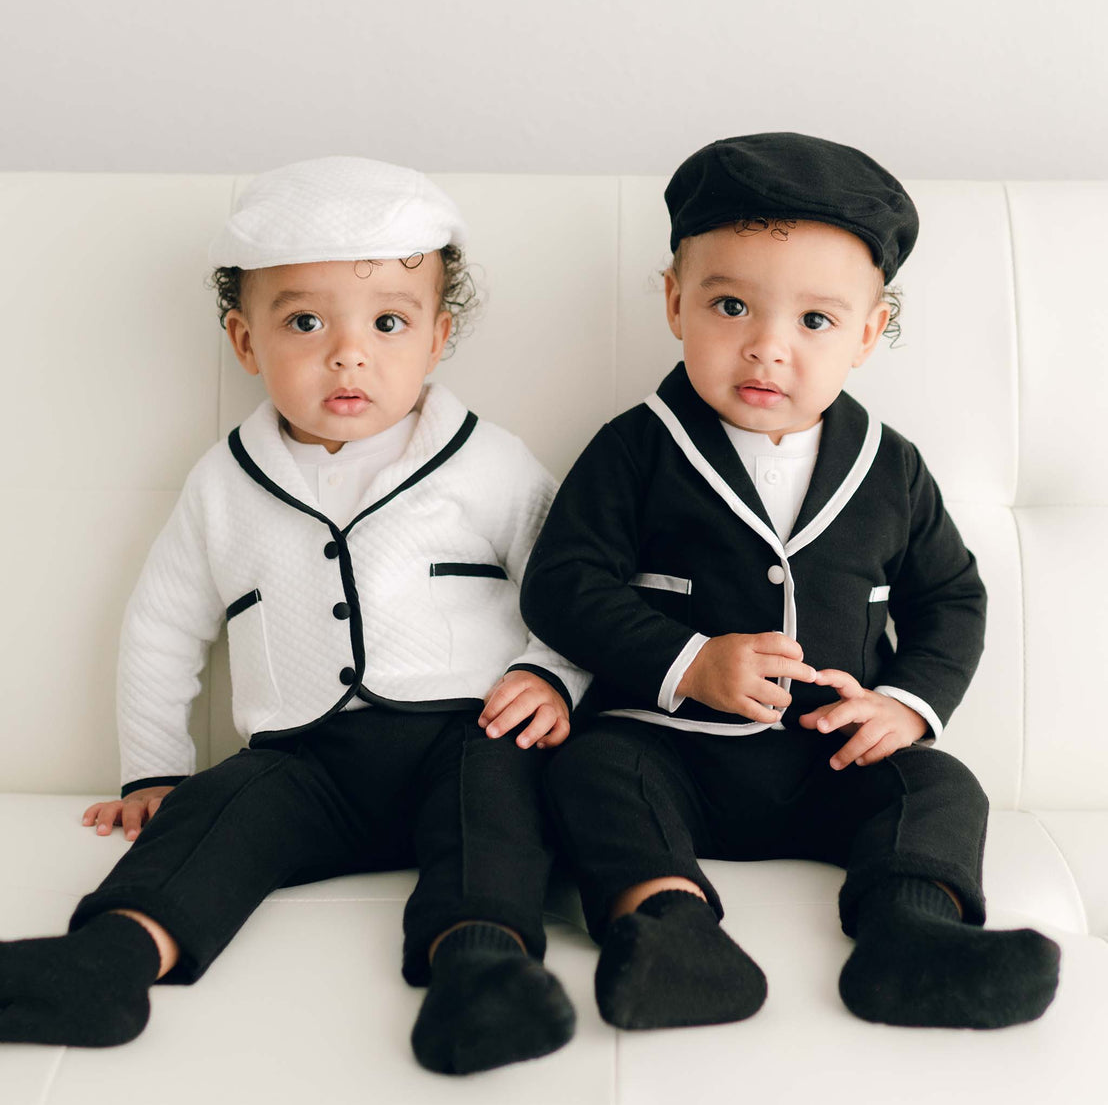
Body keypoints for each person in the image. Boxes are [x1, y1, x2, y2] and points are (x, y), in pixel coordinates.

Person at [0, 156, 585, 1074]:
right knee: (218, 809)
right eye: (304, 322)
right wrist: (155, 767)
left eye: (389, 322)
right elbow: (162, 625)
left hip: (466, 733)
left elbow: (574, 585)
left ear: (437, 339)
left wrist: (551, 676)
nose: (348, 354)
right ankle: (111, 958)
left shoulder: (489, 463)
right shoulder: (224, 484)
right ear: (244, 341)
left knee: (497, 811)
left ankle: (480, 967)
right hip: (305, 759)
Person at [520, 132, 1060, 1032]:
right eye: (731, 306)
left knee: (939, 785)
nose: (767, 350)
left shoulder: (892, 468)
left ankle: (909, 938)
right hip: (669, 746)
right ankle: (669, 931)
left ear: (868, 332)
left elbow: (952, 598)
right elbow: (563, 583)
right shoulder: (638, 447)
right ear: (674, 302)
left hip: (827, 761)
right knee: (592, 769)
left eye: (813, 321)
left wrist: (907, 704)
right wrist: (688, 662)